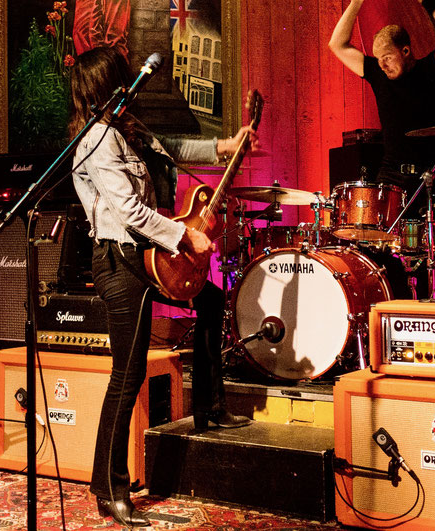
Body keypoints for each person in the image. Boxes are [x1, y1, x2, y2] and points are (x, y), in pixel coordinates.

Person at [69, 47, 254, 527]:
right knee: (126, 377)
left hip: (147, 256)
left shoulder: (126, 129)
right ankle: (107, 488)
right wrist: (183, 233)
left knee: (210, 301)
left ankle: (209, 408)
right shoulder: (95, 139)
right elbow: (128, 211)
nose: (133, 84)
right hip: (119, 262)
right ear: (106, 84)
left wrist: (224, 148)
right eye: (122, 78)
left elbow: (172, 147)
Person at [328, 0, 435, 297]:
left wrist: (428, 1)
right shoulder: (377, 73)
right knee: (381, 256)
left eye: (388, 57)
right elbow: (337, 45)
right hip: (391, 178)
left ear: (405, 51)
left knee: (429, 258)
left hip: (430, 178)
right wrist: (356, 2)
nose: (383, 64)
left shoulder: (431, 71)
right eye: (379, 58)